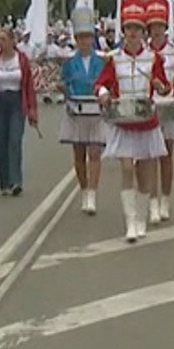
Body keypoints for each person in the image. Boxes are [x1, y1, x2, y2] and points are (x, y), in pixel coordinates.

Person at [94, 0, 171, 244]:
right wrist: (104, 94)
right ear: (124, 31)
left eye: (137, 29)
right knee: (127, 168)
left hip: (146, 122)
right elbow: (100, 84)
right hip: (123, 121)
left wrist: (160, 86)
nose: (133, 33)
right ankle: (130, 221)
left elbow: (164, 87)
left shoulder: (154, 58)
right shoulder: (114, 58)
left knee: (145, 175)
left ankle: (140, 220)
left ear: (143, 32)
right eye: (129, 28)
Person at [142, 0, 174, 225]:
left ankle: (165, 199)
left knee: (167, 156)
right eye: (152, 27)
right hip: (149, 108)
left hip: (170, 106)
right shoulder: (141, 53)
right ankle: (152, 202)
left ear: (165, 28)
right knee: (151, 156)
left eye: (160, 26)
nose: (156, 31)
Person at [58, 11, 108, 215]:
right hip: (77, 110)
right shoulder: (69, 63)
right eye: (80, 38)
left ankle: (92, 194)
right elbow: (65, 82)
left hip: (95, 110)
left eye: (88, 37)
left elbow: (108, 83)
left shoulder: (102, 62)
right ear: (76, 40)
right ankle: (84, 188)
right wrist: (64, 90)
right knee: (79, 154)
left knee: (95, 152)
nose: (84, 41)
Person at [0, 26, 40, 198]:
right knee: (1, 142)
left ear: (13, 41)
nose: (1, 43)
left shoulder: (21, 60)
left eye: (4, 40)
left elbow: (28, 86)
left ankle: (16, 181)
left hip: (16, 102)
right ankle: (4, 182)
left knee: (14, 141)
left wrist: (32, 109)